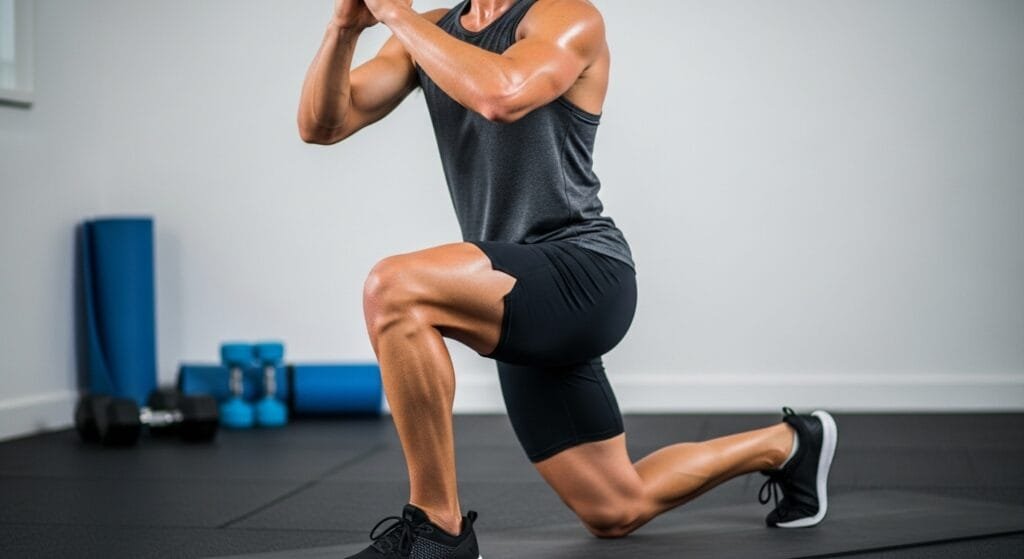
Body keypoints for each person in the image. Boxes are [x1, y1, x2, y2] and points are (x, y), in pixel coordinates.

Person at [297, 1, 839, 557]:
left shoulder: (565, 16)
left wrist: (393, 14)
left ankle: (439, 530)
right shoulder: (432, 30)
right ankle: (790, 443)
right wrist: (343, 29)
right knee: (614, 507)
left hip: (582, 273)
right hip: (511, 286)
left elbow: (502, 95)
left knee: (395, 289)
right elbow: (322, 123)